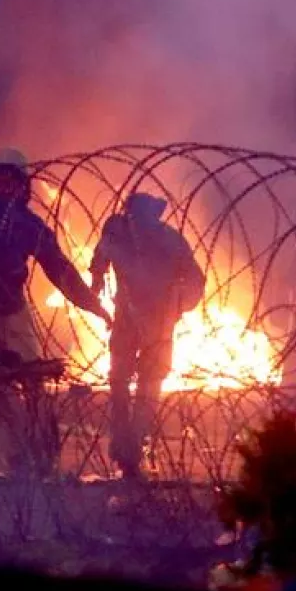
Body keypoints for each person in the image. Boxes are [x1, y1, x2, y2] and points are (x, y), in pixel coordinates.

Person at [0, 99, 109, 473]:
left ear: (22, 185)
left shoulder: (31, 225)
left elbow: (61, 271)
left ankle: (40, 445)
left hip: (13, 311)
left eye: (11, 178)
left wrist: (94, 307)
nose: (3, 183)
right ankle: (17, 454)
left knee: (33, 379)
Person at [88, 192, 204, 480]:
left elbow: (195, 281)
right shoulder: (118, 232)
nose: (136, 220)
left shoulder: (168, 240)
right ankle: (124, 447)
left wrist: (176, 307)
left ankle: (131, 450)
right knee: (121, 384)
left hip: (158, 320)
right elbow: (100, 257)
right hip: (128, 318)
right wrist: (97, 279)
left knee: (146, 386)